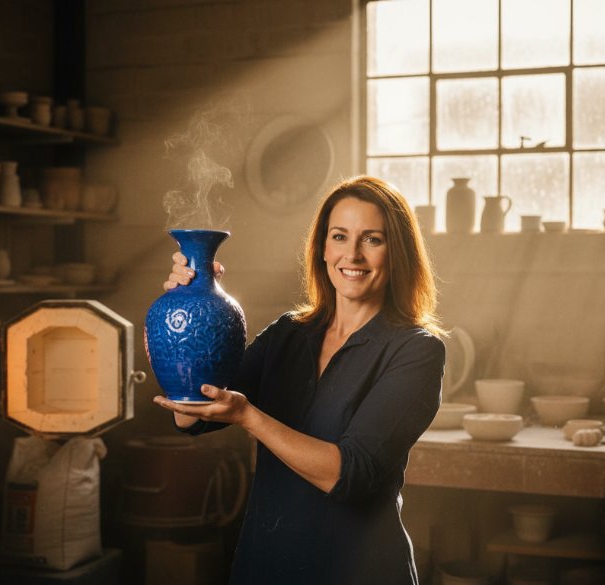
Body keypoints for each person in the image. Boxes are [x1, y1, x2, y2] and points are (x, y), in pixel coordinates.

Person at [153, 175, 446, 585]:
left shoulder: (416, 350)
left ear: (397, 252)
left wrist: (249, 417)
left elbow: (350, 476)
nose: (353, 255)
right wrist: (185, 320)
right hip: (268, 564)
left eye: (373, 239)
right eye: (340, 236)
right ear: (323, 248)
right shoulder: (288, 333)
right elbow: (194, 415)